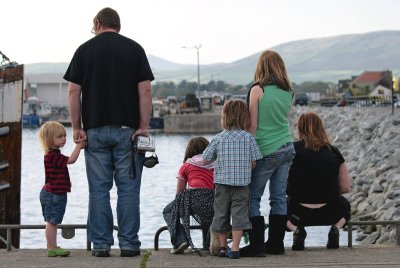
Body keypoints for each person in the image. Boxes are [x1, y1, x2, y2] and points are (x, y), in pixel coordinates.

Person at [63, 7, 154, 257]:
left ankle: (101, 245)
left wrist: (77, 127)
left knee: (99, 190)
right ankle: (128, 245)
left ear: (98, 22)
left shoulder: (84, 50)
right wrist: (143, 127)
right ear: (118, 25)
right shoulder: (134, 49)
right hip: (128, 132)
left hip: (94, 132)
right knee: (128, 190)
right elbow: (145, 91)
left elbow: (73, 92)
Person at [240, 50, 295, 257]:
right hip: (287, 147)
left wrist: (248, 153)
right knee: (279, 197)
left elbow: (253, 127)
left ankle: (256, 245)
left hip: (265, 148)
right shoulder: (288, 91)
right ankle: (276, 244)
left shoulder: (258, 89)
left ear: (261, 67)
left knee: (252, 197)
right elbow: (280, 119)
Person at [203, 99, 263, 259]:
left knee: (221, 214)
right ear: (245, 117)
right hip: (242, 185)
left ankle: (223, 247)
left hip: (222, 185)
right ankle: (235, 248)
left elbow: (205, 158)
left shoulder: (218, 138)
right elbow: (255, 162)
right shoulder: (249, 138)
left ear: (225, 117)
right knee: (239, 215)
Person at [286, 112, 351, 250]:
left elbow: (280, 183)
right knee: (346, 207)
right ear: (321, 128)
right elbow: (345, 187)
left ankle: (296, 230)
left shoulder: (291, 150)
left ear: (300, 129)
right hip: (331, 211)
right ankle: (336, 228)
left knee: (278, 208)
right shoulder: (334, 151)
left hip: (297, 213)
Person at [162, 137, 214, 254]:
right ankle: (209, 246)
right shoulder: (215, 163)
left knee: (168, 211)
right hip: (212, 199)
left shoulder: (187, 165)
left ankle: (180, 240)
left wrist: (179, 206)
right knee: (207, 216)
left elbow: (179, 193)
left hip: (193, 198)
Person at [38, 121, 83, 257]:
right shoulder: (53, 155)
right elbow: (71, 160)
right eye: (59, 137)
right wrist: (79, 146)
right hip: (54, 194)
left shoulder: (52, 154)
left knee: (52, 221)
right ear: (49, 139)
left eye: (64, 136)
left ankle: (52, 245)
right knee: (52, 222)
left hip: (51, 192)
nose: (64, 138)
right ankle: (52, 248)